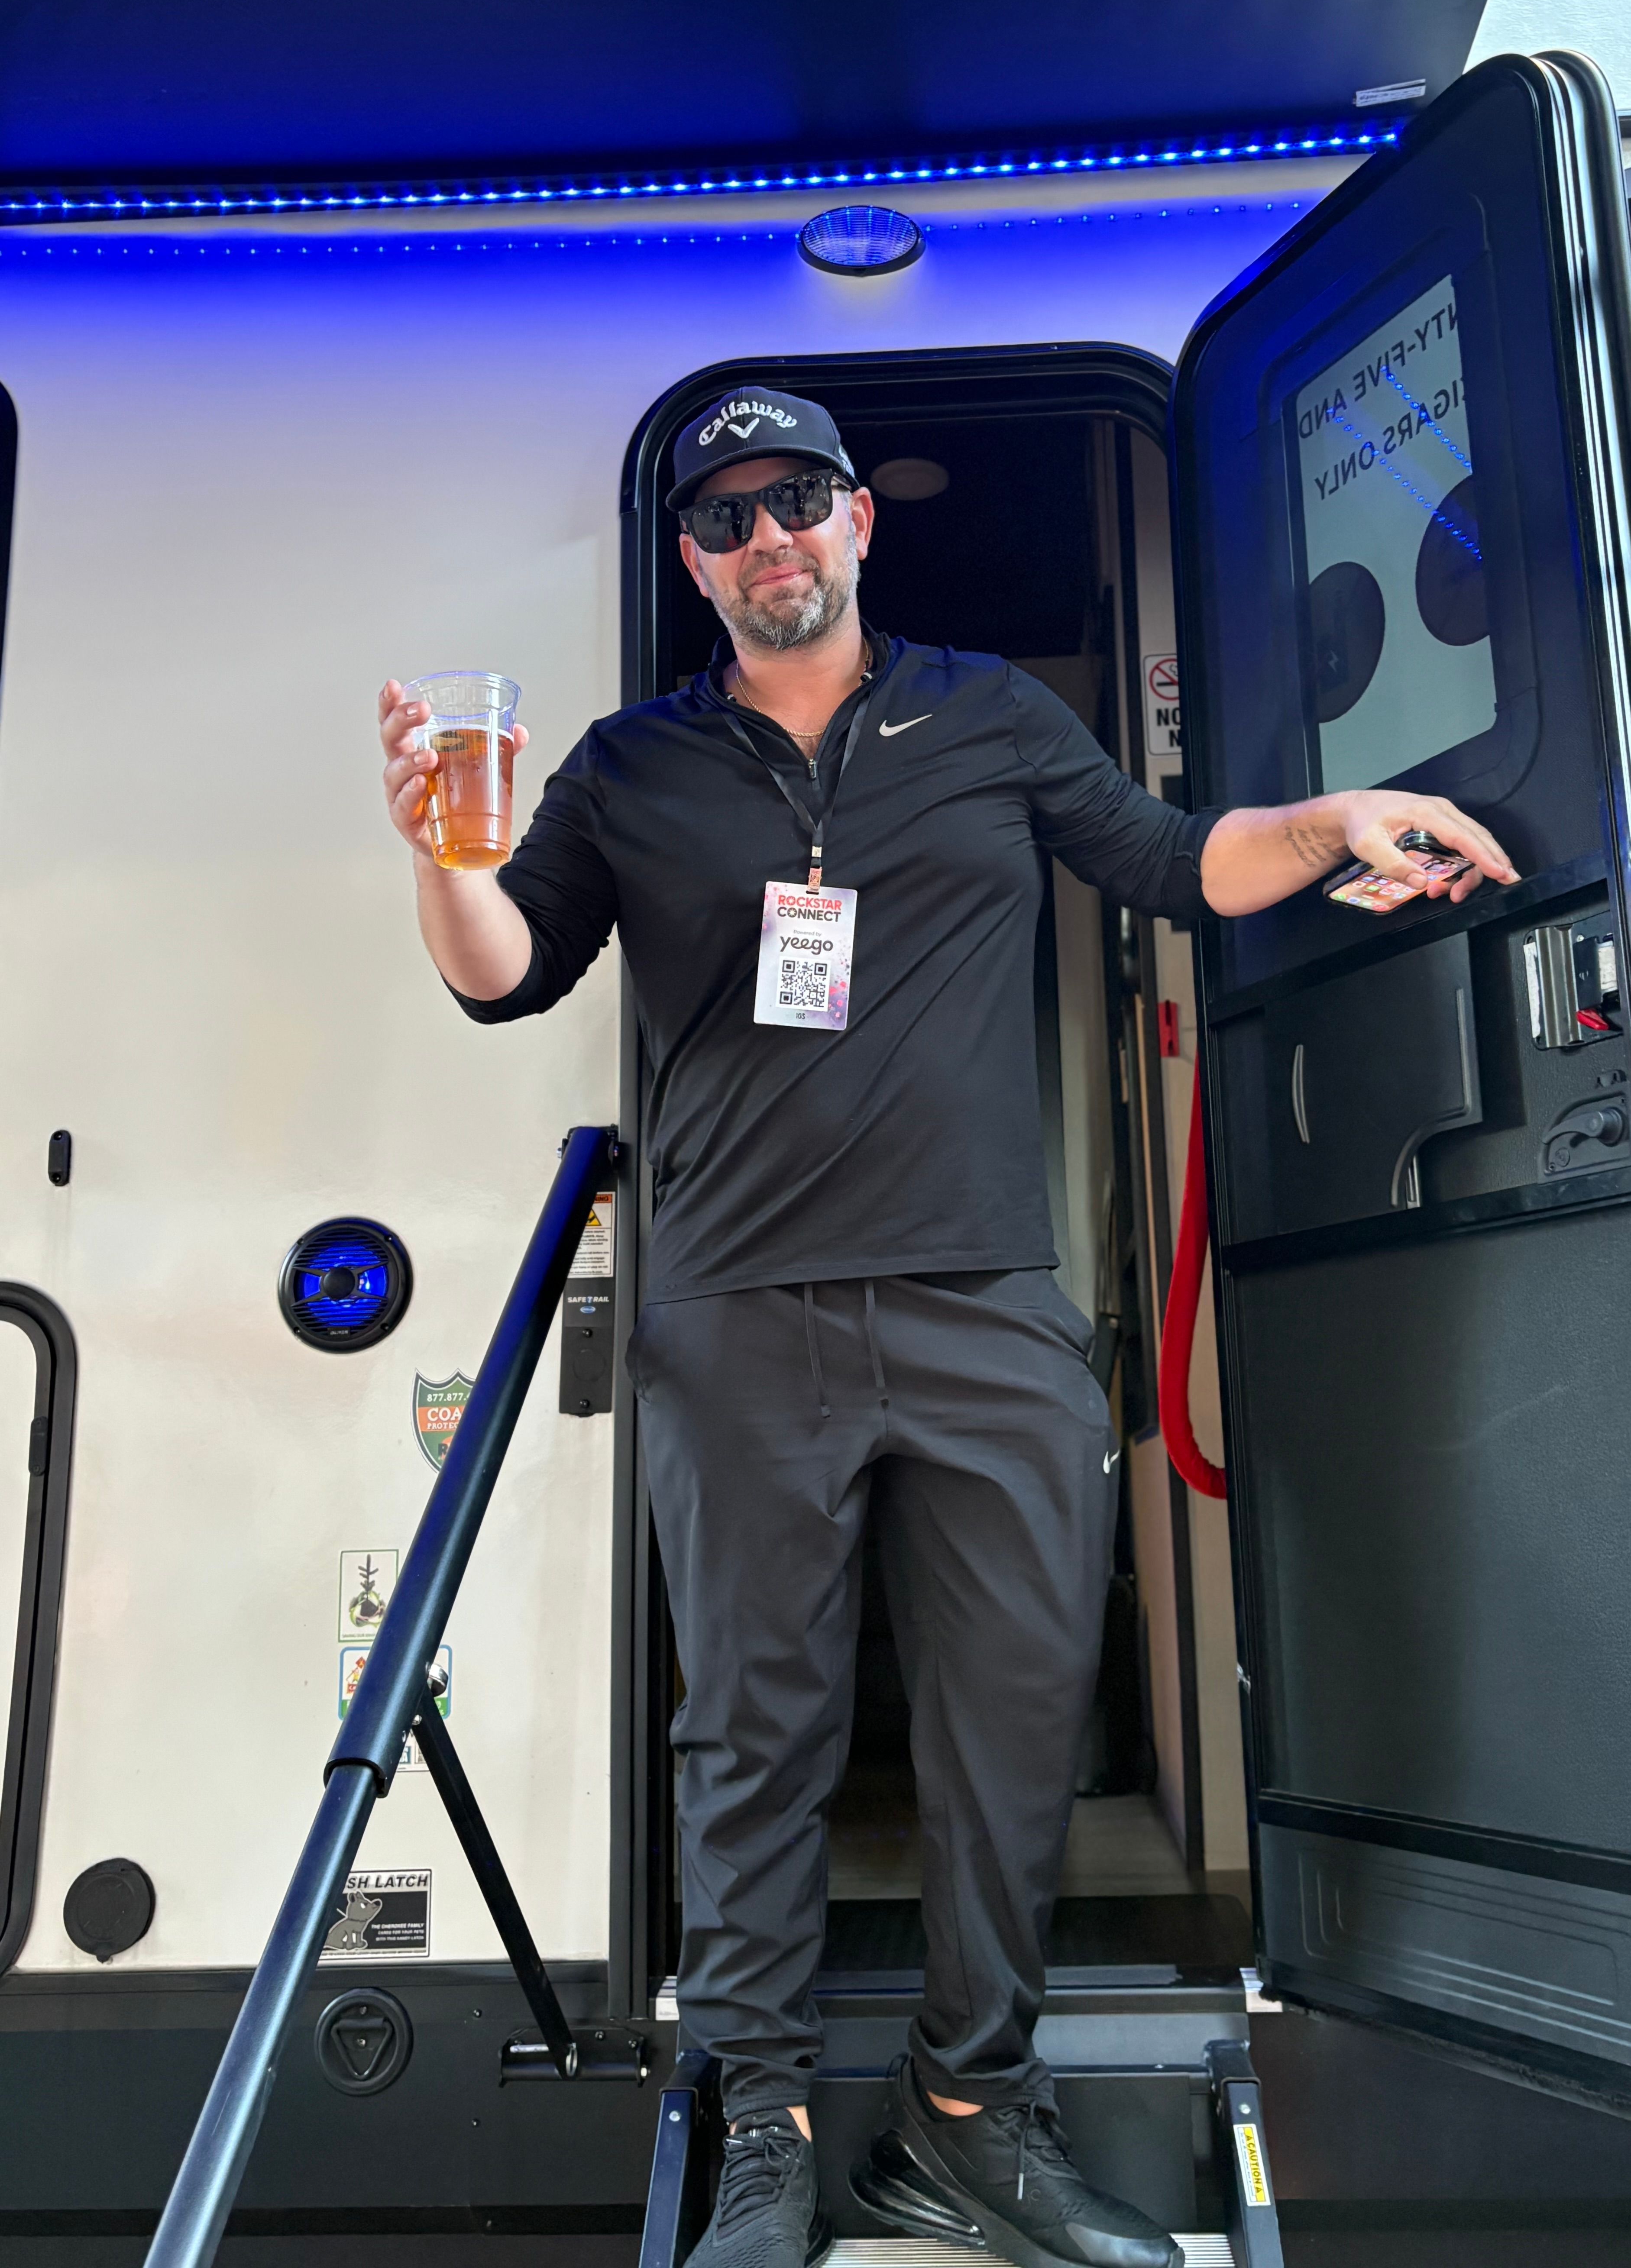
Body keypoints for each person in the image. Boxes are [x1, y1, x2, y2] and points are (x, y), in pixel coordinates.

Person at [377, 388, 1516, 2268]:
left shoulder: (990, 713)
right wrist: (440, 848)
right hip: (736, 1312)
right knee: (754, 1735)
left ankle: (972, 2121)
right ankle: (760, 2122)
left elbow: (1171, 860)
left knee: (1010, 1722)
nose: (770, 541)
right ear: (692, 561)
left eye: (798, 502)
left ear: (857, 524)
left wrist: (1330, 820)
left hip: (985, 1301)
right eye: (727, 518)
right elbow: (510, 975)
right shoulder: (626, 764)